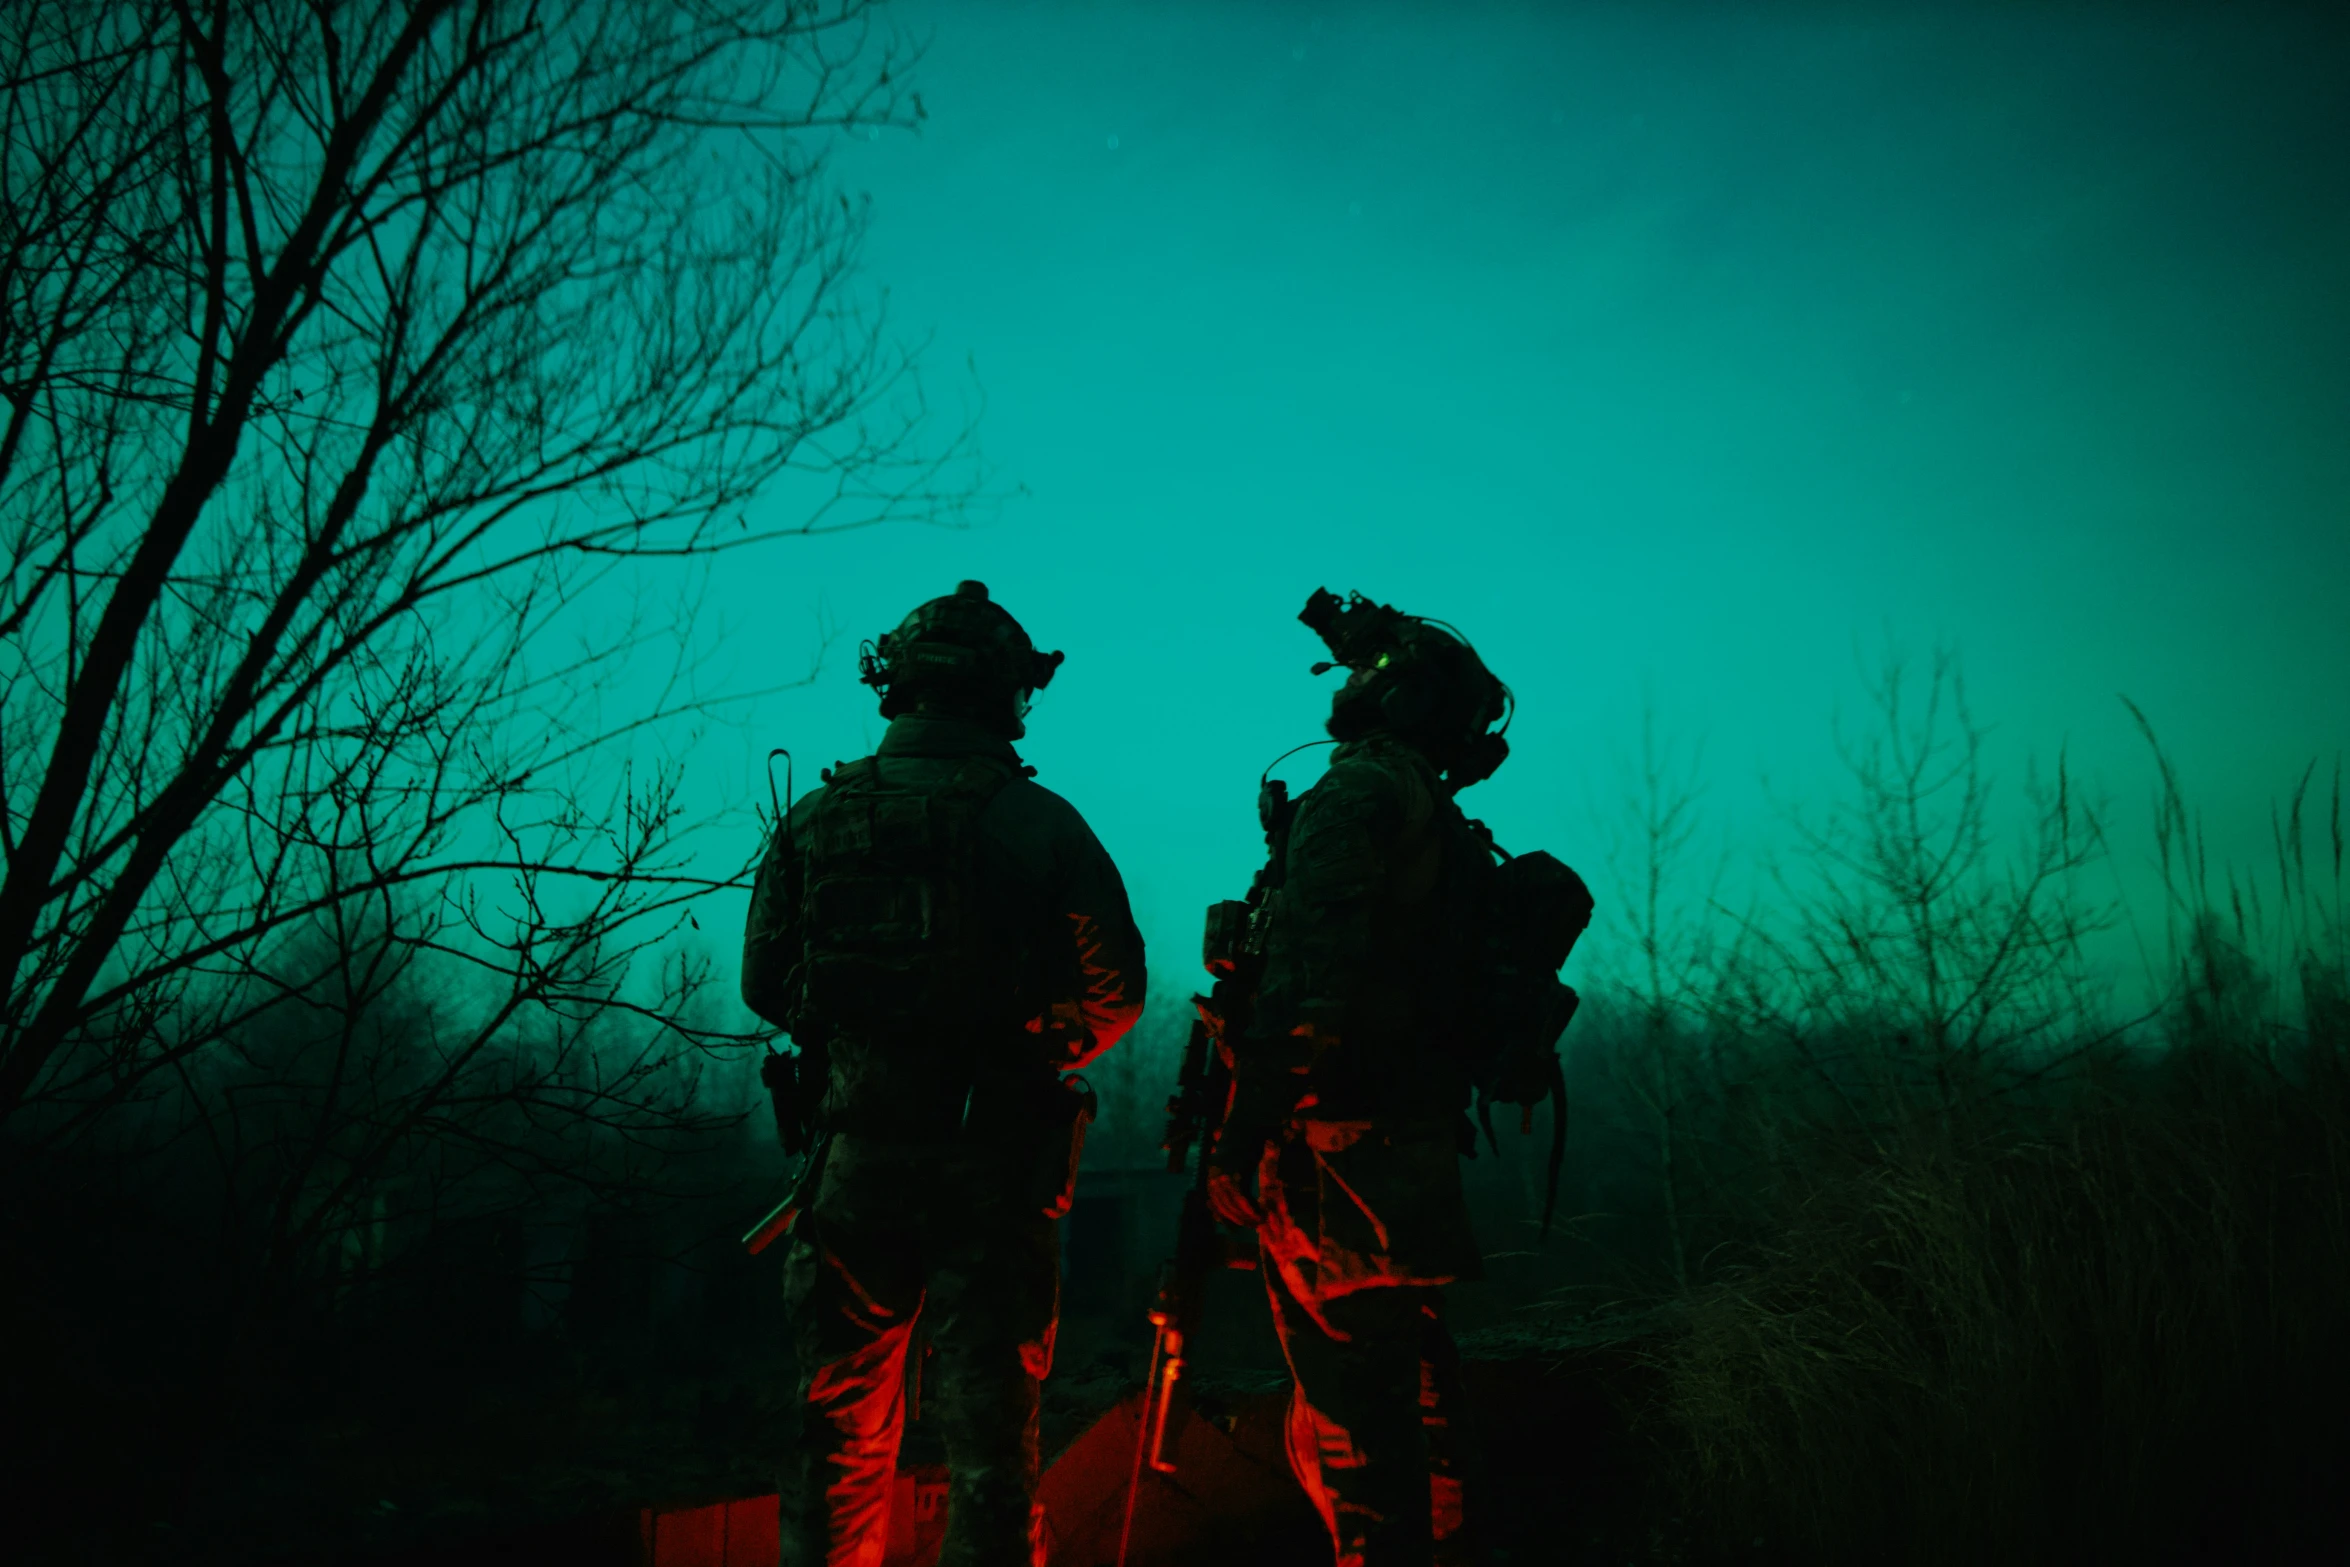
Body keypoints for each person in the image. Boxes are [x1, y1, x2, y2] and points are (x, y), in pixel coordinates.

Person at [742, 580, 1146, 1567]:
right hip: (990, 1170)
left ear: (901, 685)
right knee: (988, 1439)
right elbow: (1117, 991)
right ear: (1002, 691)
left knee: (834, 1427)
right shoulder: (1038, 821)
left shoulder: (810, 819)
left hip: (850, 1170)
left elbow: (765, 983)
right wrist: (1027, 1050)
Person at [1205, 590, 1564, 1567]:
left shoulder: (1363, 794)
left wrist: (1242, 1133)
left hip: (1336, 1152)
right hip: (1395, 1143)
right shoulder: (1433, 814)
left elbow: (1310, 989)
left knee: (1355, 1427)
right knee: (1409, 1389)